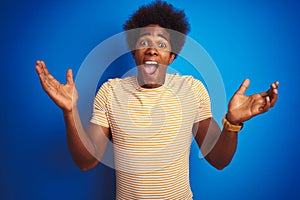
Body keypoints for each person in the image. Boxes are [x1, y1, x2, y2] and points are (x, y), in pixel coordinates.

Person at [35, 1, 279, 199]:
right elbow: (86, 162)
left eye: (161, 44)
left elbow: (219, 159)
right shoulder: (110, 92)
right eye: (144, 43)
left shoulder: (192, 89)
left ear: (171, 57)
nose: (152, 49)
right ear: (134, 53)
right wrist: (69, 111)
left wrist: (232, 122)